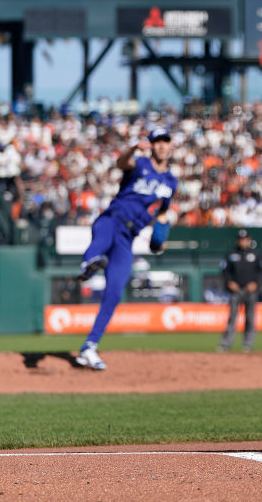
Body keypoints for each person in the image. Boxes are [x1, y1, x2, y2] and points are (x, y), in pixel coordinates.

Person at [75, 127, 178, 370]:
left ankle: (89, 348)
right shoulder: (140, 163)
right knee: (99, 242)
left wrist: (160, 235)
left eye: (165, 141)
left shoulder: (171, 181)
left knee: (114, 293)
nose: (161, 145)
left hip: (129, 236)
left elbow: (162, 212)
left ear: (170, 145)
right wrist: (133, 147)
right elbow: (122, 163)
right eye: (157, 141)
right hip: (113, 218)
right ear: (151, 145)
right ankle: (88, 264)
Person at [217, 229, 262, 353]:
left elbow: (261, 272)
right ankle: (225, 344)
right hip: (236, 290)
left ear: (249, 240)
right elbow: (225, 271)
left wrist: (256, 284)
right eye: (241, 239)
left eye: (245, 239)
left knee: (250, 318)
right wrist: (229, 282)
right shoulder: (231, 254)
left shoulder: (256, 254)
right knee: (232, 318)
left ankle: (247, 345)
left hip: (250, 290)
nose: (243, 241)